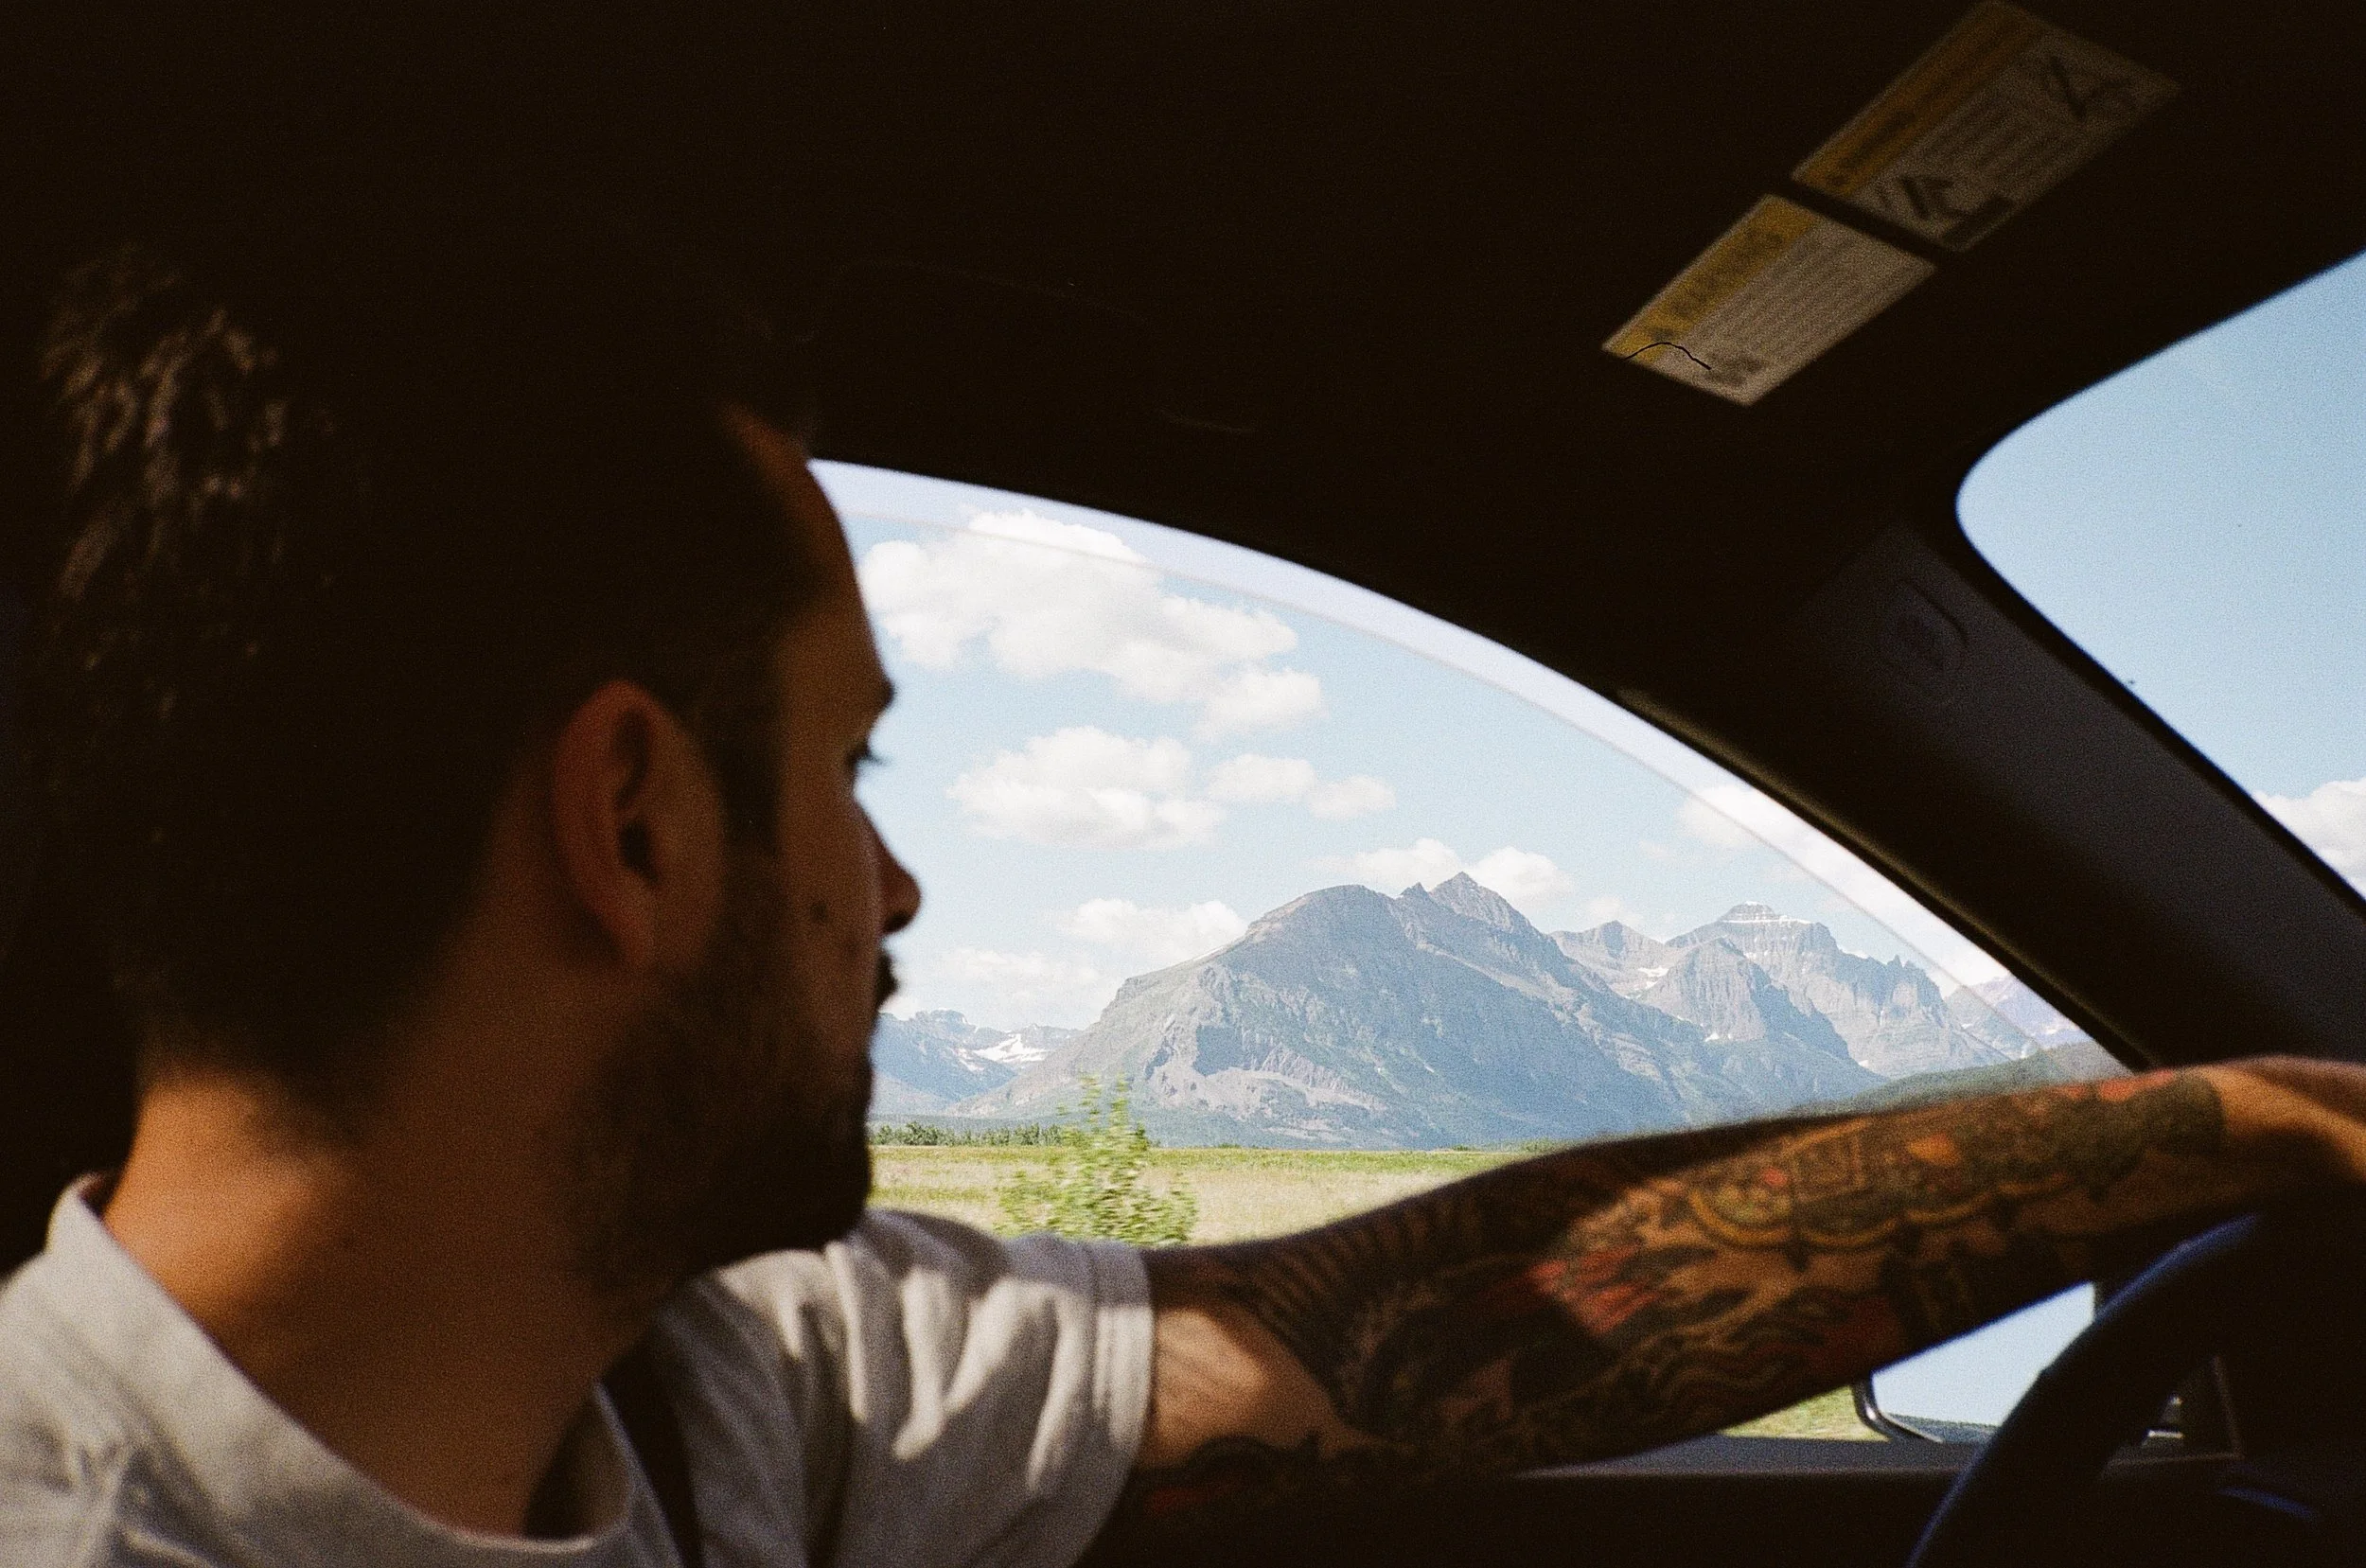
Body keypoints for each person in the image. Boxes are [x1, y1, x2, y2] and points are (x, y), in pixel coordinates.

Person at [8, 196, 2366, 1568]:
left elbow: (1429, 1321)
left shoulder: (713, 1386)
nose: (900, 889)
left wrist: (2259, 1120)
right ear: (630, 826)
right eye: (847, 769)